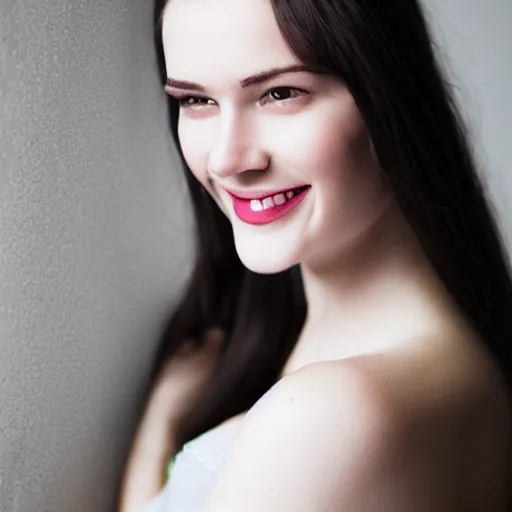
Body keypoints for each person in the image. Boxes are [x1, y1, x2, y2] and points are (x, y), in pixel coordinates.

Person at [119, 0, 512, 510]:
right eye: (196, 102)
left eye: (280, 93)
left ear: (388, 95)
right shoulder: (456, 341)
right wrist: (164, 418)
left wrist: (158, 428)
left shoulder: (325, 417)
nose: (226, 159)